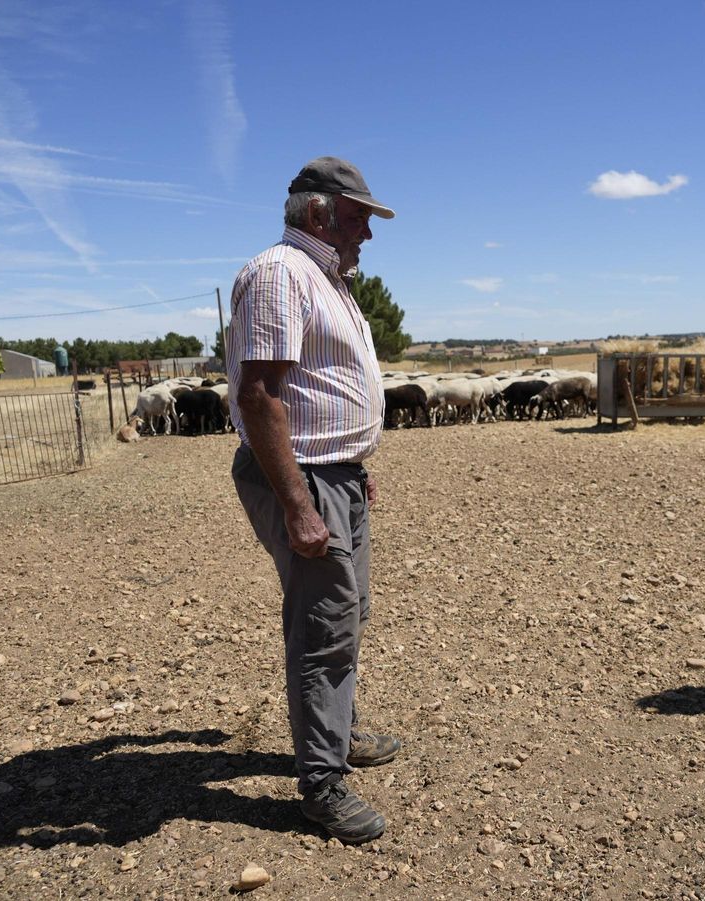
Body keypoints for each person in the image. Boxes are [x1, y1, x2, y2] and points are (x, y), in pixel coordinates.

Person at [227, 156, 400, 843]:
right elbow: (260, 395)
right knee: (324, 623)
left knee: (349, 610)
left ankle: (340, 731)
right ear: (322, 213)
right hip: (303, 477)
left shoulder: (324, 278)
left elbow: (314, 388)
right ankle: (321, 785)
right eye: (359, 215)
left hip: (335, 473)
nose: (368, 231)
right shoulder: (281, 274)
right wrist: (300, 501)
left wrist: (352, 463)